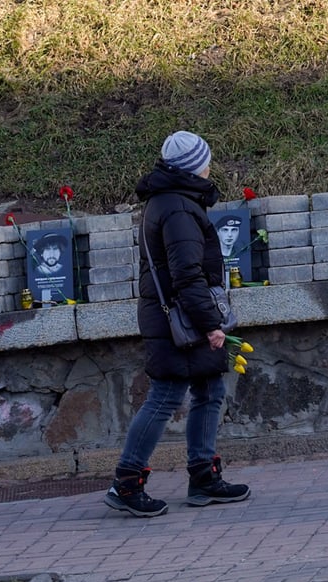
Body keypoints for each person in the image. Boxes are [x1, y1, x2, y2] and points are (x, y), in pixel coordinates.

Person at [104, 130, 251, 518]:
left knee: (209, 389)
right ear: (193, 167)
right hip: (179, 318)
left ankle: (204, 476)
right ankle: (127, 482)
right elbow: (187, 273)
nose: (209, 166)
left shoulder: (169, 202)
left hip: (173, 313)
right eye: (205, 160)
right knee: (166, 397)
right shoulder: (180, 209)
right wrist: (211, 323)